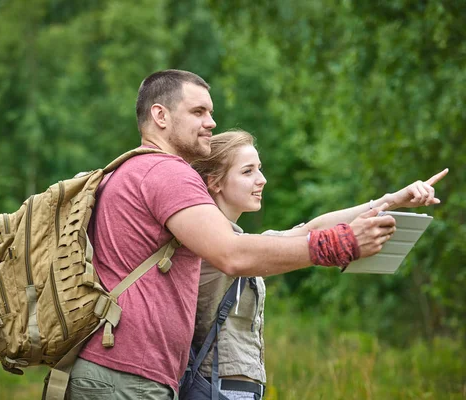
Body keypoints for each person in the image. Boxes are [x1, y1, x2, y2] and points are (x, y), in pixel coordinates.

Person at [65, 69, 400, 400]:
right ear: (160, 116)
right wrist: (338, 244)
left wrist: (387, 203)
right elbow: (231, 254)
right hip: (127, 374)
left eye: (210, 112)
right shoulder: (167, 173)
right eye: (198, 112)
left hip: (117, 370)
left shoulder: (127, 170)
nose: (211, 122)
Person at [189, 129, 448, 400]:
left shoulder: (239, 242)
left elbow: (309, 230)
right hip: (215, 388)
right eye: (247, 171)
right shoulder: (210, 247)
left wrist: (392, 200)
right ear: (215, 182)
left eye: (260, 169)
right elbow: (241, 254)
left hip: (240, 388)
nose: (262, 179)